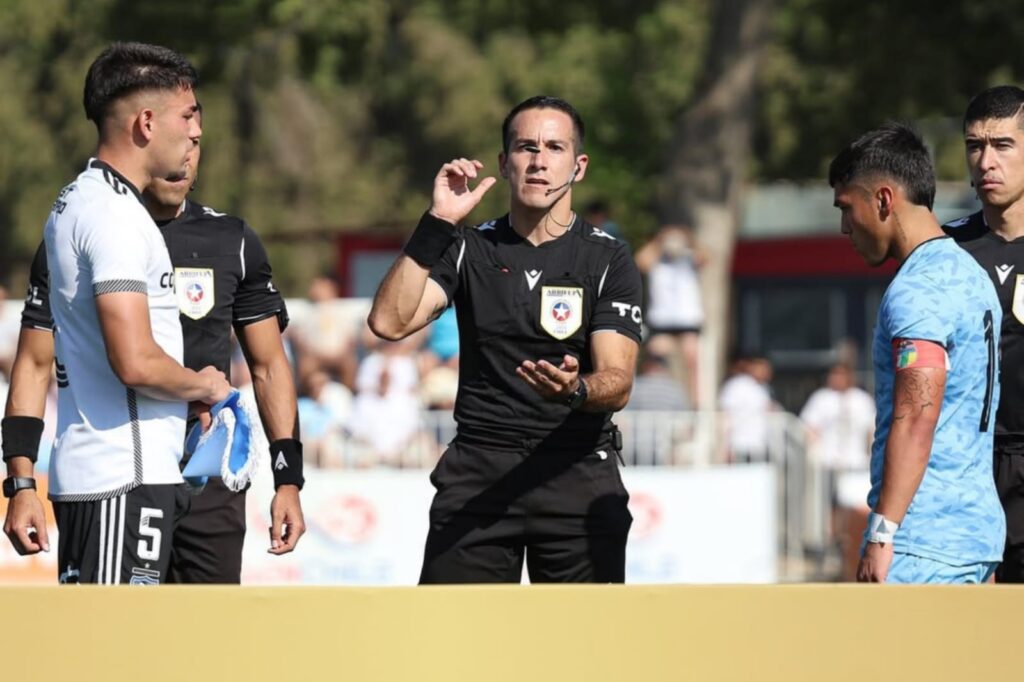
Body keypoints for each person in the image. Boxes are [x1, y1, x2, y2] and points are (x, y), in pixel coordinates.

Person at [4, 118, 306, 583]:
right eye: (179, 139)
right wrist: (21, 482)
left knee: (206, 638)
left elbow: (268, 367)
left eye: (197, 143)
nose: (186, 157)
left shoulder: (233, 241)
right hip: (122, 475)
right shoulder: (87, 230)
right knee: (119, 637)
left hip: (208, 478)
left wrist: (289, 480)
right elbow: (34, 360)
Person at [368, 95, 643, 583]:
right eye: (525, 147)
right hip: (479, 473)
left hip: (575, 472)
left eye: (555, 148)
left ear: (578, 167)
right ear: (503, 162)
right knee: (456, 648)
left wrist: (576, 391)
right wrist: (437, 223)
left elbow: (618, 382)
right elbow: (389, 322)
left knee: (582, 654)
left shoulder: (608, 258)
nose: (539, 161)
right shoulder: (469, 246)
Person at [0, 42, 233, 584]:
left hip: (110, 479)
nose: (197, 131)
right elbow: (134, 361)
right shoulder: (114, 216)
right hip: (122, 483)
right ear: (146, 123)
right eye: (188, 115)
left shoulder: (78, 200)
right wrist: (205, 386)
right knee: (111, 661)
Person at [829, 122, 1004, 584]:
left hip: (921, 541)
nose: (845, 227)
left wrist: (883, 533)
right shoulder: (971, 273)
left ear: (884, 199)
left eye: (847, 208)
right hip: (977, 537)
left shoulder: (919, 289)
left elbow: (916, 414)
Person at [943, 85, 1024, 583]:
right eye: (975, 146)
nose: (986, 161)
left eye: (1003, 145)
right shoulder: (945, 250)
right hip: (970, 466)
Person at [635, 224, 706, 406]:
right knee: (657, 360)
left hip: (687, 318)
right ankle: (657, 401)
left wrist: (687, 238)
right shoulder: (656, 259)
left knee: (692, 361)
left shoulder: (689, 257)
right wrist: (660, 239)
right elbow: (640, 261)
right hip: (662, 319)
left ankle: (694, 405)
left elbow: (706, 257)